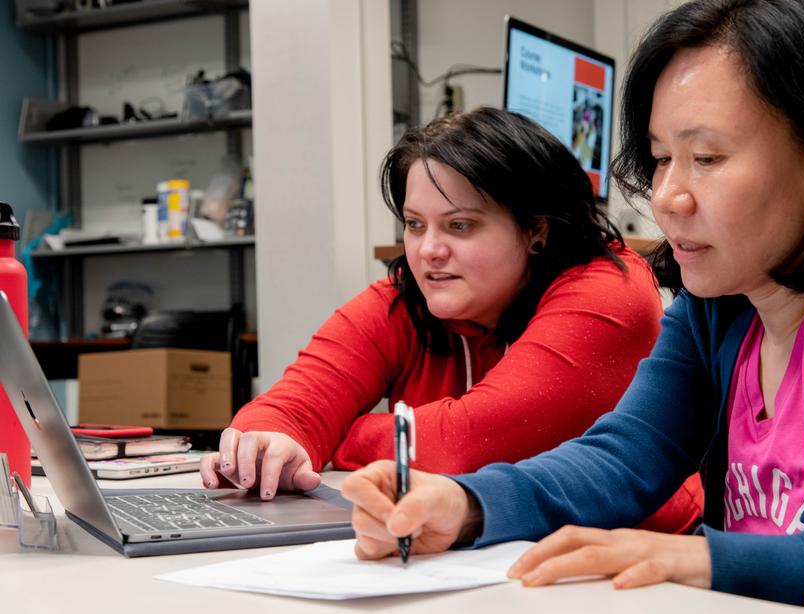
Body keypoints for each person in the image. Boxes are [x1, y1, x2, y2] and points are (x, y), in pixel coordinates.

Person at [340, 1, 804, 612]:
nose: (667, 198)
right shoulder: (718, 305)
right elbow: (624, 455)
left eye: (707, 158)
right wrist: (467, 504)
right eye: (662, 158)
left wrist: (711, 559)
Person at [201, 107, 703, 534]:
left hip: (635, 572)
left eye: (460, 225)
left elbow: (467, 444)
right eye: (415, 225)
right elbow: (292, 407)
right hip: (480, 562)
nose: (429, 251)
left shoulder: (610, 290)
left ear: (536, 231)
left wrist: (338, 435)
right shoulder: (405, 299)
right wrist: (269, 442)